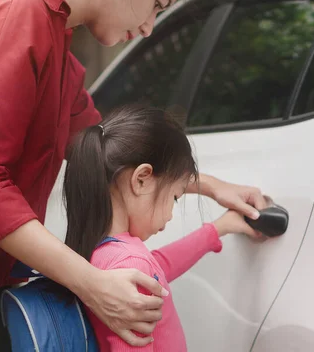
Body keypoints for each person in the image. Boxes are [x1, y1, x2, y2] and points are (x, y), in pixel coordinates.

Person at [0, 0, 267, 350]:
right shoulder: (17, 12)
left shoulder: (52, 36)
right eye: (157, 5)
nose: (148, 28)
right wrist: (92, 284)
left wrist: (210, 187)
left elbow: (108, 150)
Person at [65, 105, 264, 351]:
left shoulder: (107, 252)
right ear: (141, 180)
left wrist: (218, 229)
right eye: (175, 198)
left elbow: (159, 265)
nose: (170, 214)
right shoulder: (130, 263)